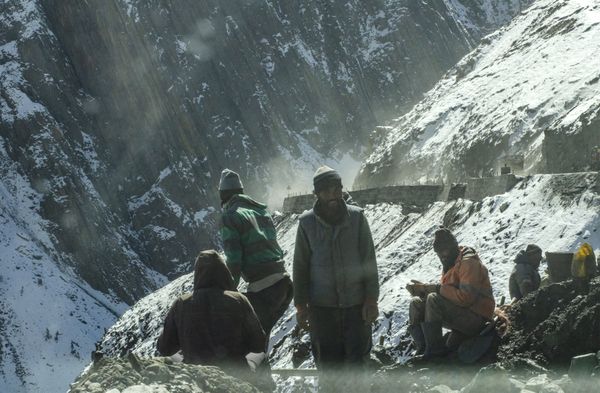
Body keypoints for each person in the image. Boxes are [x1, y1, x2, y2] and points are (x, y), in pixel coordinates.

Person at [293, 165, 379, 391]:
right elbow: (300, 268)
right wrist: (301, 306)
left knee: (358, 368)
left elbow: (369, 261)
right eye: (326, 190)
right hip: (322, 311)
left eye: (336, 189)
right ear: (317, 194)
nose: (332, 194)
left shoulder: (357, 219)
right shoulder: (306, 224)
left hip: (356, 308)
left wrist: (371, 299)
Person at [219, 169, 293, 346]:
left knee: (249, 345)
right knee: (259, 341)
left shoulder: (230, 217)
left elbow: (234, 260)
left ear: (222, 195)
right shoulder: (262, 213)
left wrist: (226, 291)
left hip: (263, 288)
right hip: (285, 285)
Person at [157, 250, 265, 372]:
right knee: (260, 355)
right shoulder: (238, 300)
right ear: (224, 273)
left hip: (196, 372)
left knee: (173, 358)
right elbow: (258, 343)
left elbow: (165, 348)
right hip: (235, 371)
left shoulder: (181, 303)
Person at [406, 228, 495, 359]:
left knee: (433, 299)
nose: (442, 255)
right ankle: (423, 349)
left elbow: (466, 298)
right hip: (463, 314)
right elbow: (448, 292)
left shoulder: (468, 263)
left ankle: (434, 353)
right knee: (416, 303)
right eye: (439, 253)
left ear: (453, 247)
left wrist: (434, 289)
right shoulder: (451, 263)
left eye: (445, 250)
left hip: (478, 318)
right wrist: (424, 290)